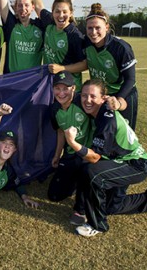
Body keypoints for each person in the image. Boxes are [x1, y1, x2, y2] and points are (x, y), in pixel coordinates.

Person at [64, 79, 147, 237]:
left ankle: (97, 225)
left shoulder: (107, 118)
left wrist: (72, 142)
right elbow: (71, 96)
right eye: (84, 96)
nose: (87, 100)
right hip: (118, 160)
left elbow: (94, 158)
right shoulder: (97, 108)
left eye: (93, 96)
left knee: (92, 172)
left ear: (104, 98)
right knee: (112, 206)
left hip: (135, 164)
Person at [27, 0, 89, 91]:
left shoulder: (74, 35)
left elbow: (85, 64)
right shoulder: (50, 23)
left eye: (65, 12)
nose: (61, 15)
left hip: (70, 88)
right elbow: (38, 6)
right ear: (52, 12)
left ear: (71, 13)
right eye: (57, 12)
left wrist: (62, 68)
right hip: (51, 84)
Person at [48, 71, 93, 226]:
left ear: (74, 88)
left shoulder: (83, 102)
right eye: (57, 88)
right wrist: (57, 154)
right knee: (54, 195)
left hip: (87, 155)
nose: (61, 93)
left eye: (65, 88)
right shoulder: (54, 109)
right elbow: (60, 132)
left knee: (87, 174)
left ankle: (81, 207)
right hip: (70, 154)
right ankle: (75, 182)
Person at [84, 3, 139, 130]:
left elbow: (130, 79)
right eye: (90, 28)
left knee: (122, 133)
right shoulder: (86, 43)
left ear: (107, 27)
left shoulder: (121, 48)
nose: (93, 32)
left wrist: (118, 100)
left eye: (98, 28)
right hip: (100, 95)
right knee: (101, 134)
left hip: (123, 94)